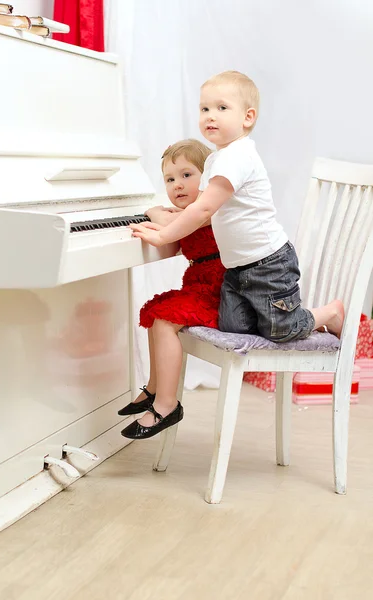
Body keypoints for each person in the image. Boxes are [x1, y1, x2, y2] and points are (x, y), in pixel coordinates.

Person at [129, 70, 345, 429]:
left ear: (247, 118)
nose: (209, 116)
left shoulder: (237, 157)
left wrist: (163, 236)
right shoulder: (217, 159)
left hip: (269, 263)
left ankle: (329, 314)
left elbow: (202, 210)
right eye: (204, 108)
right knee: (234, 324)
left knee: (281, 328)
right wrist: (162, 218)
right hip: (240, 269)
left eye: (221, 107)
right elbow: (192, 209)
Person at [120, 139, 225, 440]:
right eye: (169, 179)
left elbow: (172, 223)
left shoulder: (210, 206)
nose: (177, 185)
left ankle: (168, 405)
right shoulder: (187, 212)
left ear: (208, 179)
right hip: (198, 285)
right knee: (154, 311)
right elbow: (171, 240)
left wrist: (158, 215)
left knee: (166, 319)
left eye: (187, 175)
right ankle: (155, 388)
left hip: (222, 291)